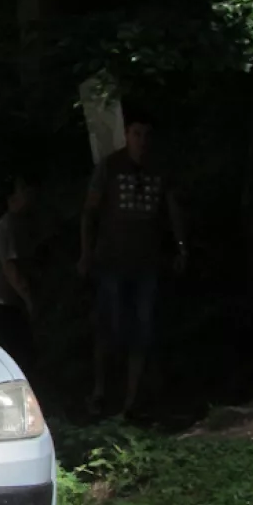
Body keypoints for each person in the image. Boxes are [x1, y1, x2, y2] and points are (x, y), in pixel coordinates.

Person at [79, 111, 186, 416]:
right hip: (111, 259)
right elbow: (90, 212)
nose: (142, 141)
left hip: (146, 261)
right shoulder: (110, 167)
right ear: (127, 135)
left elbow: (173, 209)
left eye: (146, 135)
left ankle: (131, 400)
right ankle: (101, 392)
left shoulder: (159, 169)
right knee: (110, 325)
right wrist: (86, 252)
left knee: (142, 328)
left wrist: (181, 247)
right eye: (137, 134)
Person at [0, 177, 35, 373]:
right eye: (23, 191)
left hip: (10, 304)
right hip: (3, 305)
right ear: (12, 199)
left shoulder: (17, 225)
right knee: (16, 356)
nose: (29, 195)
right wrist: (28, 298)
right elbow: (10, 268)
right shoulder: (5, 228)